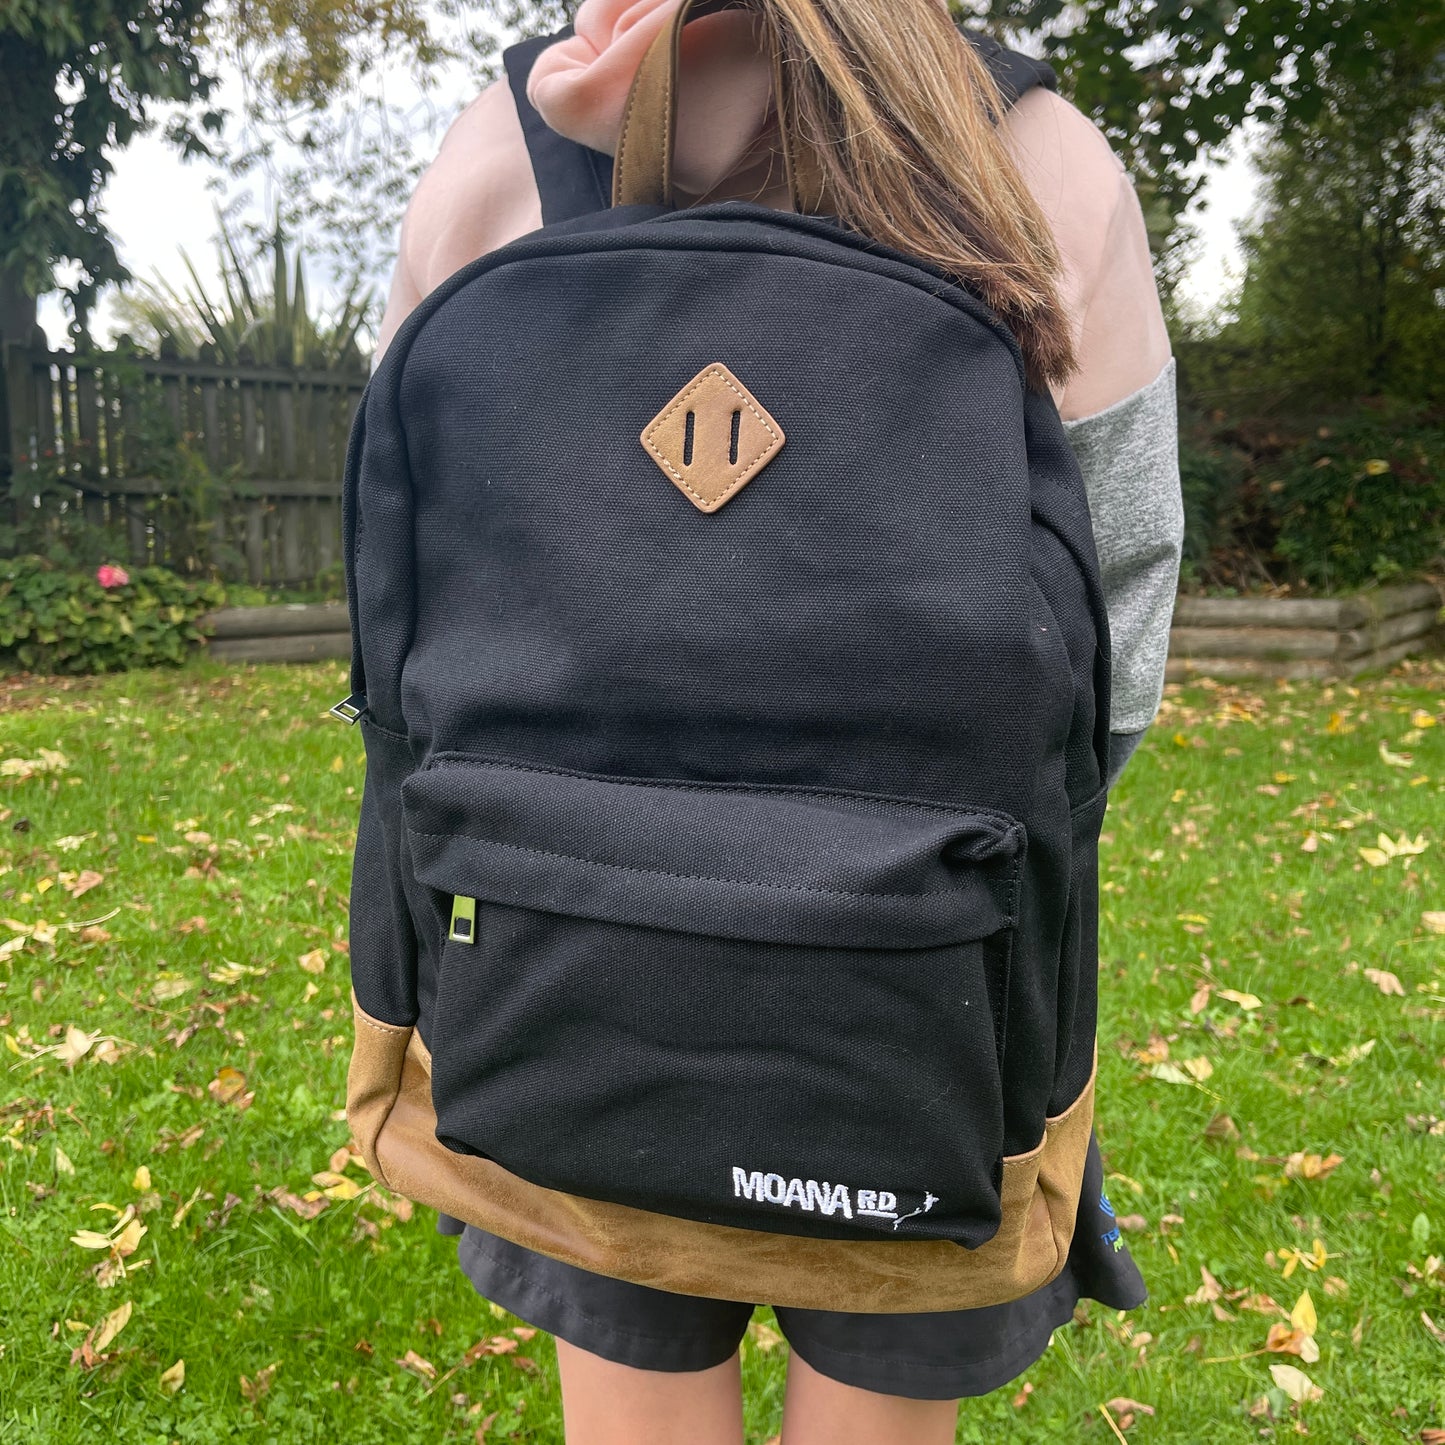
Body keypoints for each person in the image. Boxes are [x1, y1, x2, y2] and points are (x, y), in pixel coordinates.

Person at [369, 1, 1183, 1439]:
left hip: (558, 956)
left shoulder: (500, 153)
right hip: (931, 983)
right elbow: (1117, 630)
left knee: (628, 1372)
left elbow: (406, 626)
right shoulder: (1039, 156)